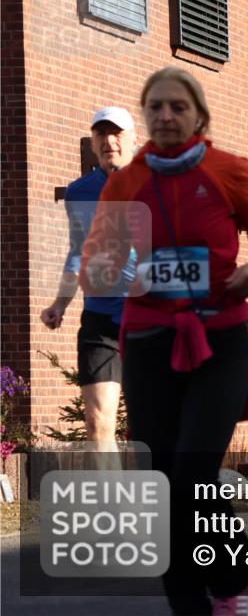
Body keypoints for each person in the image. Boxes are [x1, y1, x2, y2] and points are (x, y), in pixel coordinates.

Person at [82, 67, 248, 615]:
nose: (166, 116)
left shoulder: (228, 171)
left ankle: (231, 578)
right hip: (149, 341)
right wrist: (117, 271)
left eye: (178, 106)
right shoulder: (126, 182)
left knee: (193, 472)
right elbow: (97, 258)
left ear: (198, 114)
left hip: (218, 338)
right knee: (162, 485)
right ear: (146, 117)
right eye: (156, 108)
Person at [40, 107, 137, 453]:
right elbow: (78, 251)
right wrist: (60, 303)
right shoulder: (80, 192)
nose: (110, 141)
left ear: (133, 140)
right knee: (98, 424)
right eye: (102, 134)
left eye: (117, 133)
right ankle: (113, 505)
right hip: (100, 321)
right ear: (94, 142)